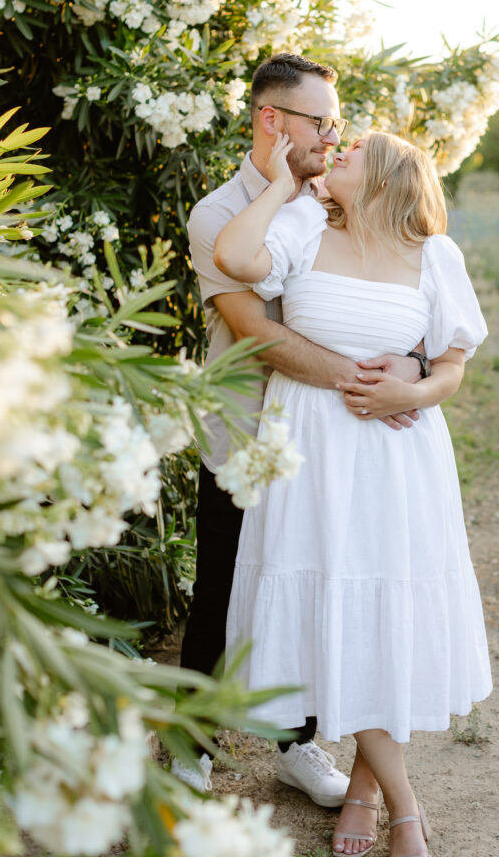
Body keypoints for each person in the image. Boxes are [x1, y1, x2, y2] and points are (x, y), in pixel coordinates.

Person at [214, 129, 492, 857]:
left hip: (399, 456)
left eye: (355, 147)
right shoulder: (304, 224)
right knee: (336, 601)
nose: (336, 149)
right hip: (310, 451)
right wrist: (278, 183)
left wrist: (415, 387)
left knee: (388, 607)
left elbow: (453, 364)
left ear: (391, 175)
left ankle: (369, 794)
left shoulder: (435, 255)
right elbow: (235, 261)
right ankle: (403, 803)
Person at [180, 54, 427, 798]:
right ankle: (190, 744)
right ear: (271, 121)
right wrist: (362, 382)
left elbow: (399, 288)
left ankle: (297, 743)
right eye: (320, 121)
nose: (331, 135)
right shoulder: (219, 216)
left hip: (331, 442)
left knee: (319, 583)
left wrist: (413, 367)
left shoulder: (340, 199)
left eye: (334, 122)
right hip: (248, 436)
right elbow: (255, 331)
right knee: (223, 592)